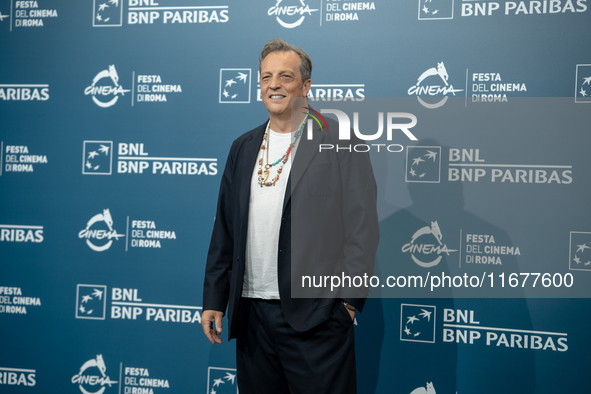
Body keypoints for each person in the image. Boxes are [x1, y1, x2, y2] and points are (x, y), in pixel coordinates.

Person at [201, 39, 379, 394]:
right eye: (266, 77)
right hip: (252, 317)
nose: (274, 85)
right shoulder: (243, 146)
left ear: (306, 86)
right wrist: (214, 299)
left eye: (285, 76)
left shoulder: (341, 140)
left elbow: (363, 229)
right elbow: (225, 229)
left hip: (316, 317)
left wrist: (346, 303)